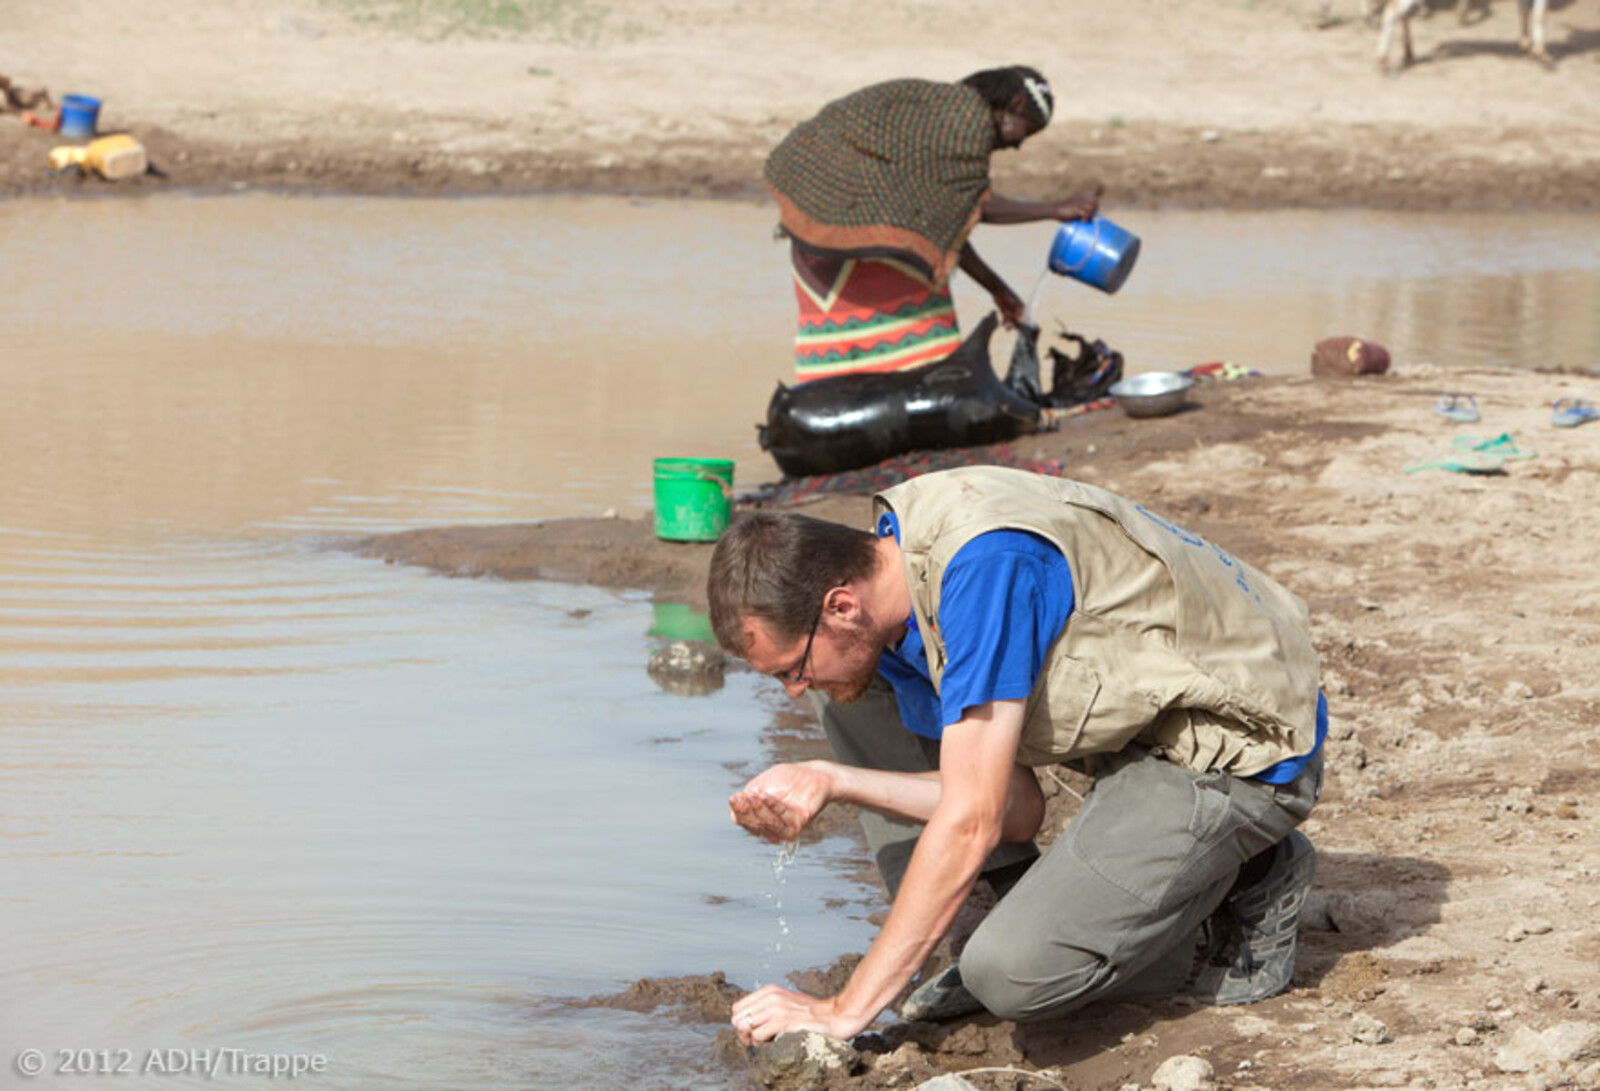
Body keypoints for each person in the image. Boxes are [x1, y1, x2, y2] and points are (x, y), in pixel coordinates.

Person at [706, 466, 1327, 1045]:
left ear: (841, 605)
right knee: (847, 690)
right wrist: (831, 777)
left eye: (790, 669)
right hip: (1140, 731)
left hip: (1237, 749)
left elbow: (974, 818)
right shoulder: (895, 579)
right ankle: (999, 910)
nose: (790, 690)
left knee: (1015, 974)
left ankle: (1249, 873)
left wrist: (843, 1010)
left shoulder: (983, 573)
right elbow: (1018, 808)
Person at [765, 66, 1100, 384]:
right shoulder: (967, 120)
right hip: (854, 242)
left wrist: (997, 290)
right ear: (1015, 105)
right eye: (1025, 131)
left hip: (812, 232)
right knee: (923, 355)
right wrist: (1054, 209)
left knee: (836, 363)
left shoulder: (937, 117)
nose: (1017, 145)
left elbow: (949, 227)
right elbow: (976, 207)